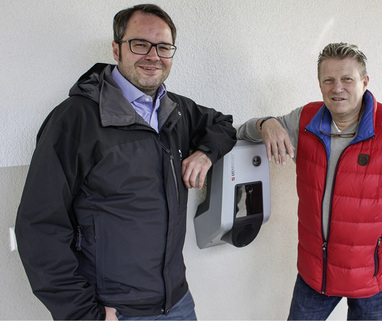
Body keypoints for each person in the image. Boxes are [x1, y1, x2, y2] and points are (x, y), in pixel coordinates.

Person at [15, 4, 236, 320]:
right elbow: (39, 226)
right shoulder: (76, 119)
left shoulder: (176, 111)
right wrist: (82, 313)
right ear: (117, 49)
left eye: (163, 47)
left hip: (178, 303)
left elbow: (223, 125)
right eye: (140, 44)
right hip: (115, 311)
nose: (153, 55)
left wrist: (205, 153)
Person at [237, 42, 382, 320]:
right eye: (329, 80)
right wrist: (266, 123)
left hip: (374, 280)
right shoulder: (303, 120)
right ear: (320, 84)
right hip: (316, 274)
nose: (337, 88)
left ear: (365, 82)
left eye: (347, 79)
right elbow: (245, 132)